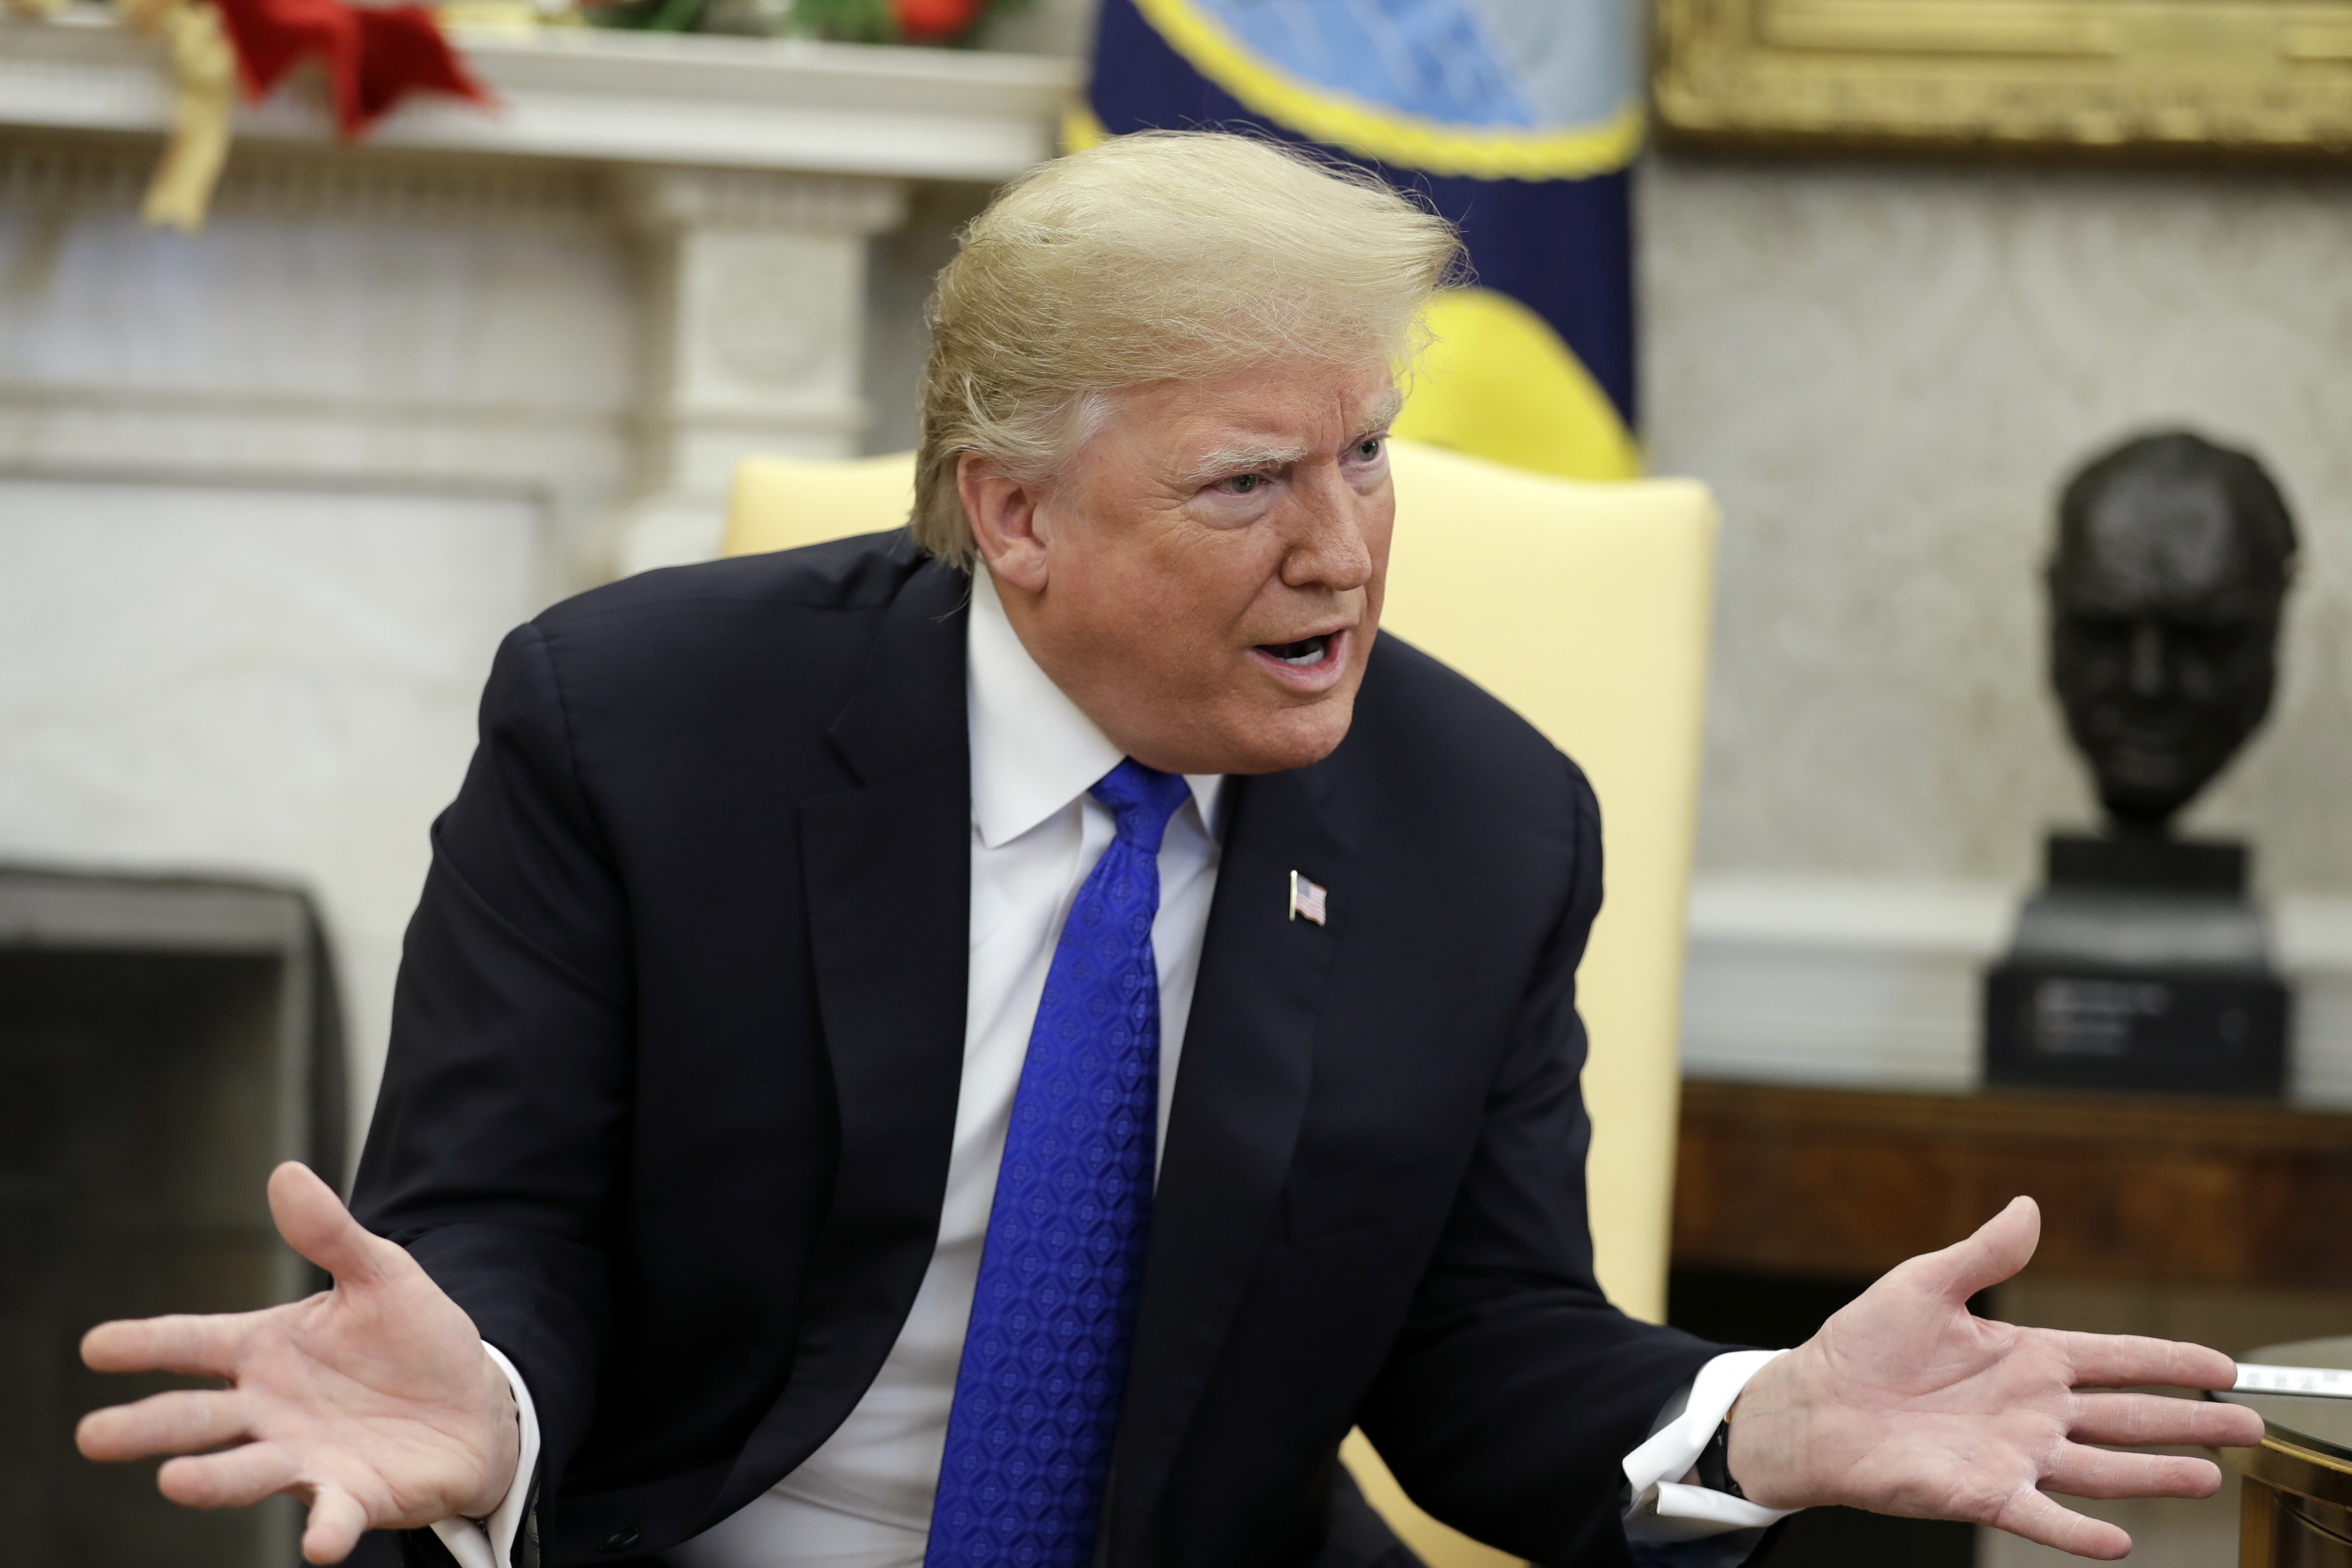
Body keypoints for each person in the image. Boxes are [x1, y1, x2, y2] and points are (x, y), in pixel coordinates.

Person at [76, 132, 2261, 1568]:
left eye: (1371, 458)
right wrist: (486, 1396)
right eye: (1246, 486)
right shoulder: (635, 725)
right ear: (1010, 512)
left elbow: (1482, 1343)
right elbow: (495, 1224)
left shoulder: (1478, 821)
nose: (1344, 550)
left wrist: (1751, 1405)